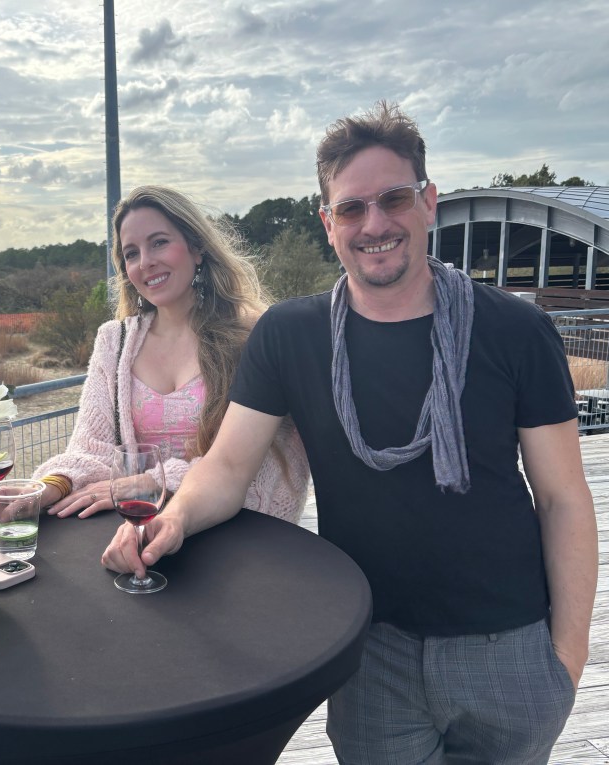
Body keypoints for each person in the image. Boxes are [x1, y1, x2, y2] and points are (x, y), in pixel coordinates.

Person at [101, 104, 597, 764]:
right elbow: (226, 468)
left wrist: (566, 658)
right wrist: (174, 519)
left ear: (428, 202)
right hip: (371, 653)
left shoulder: (515, 331)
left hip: (507, 651)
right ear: (328, 223)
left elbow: (563, 498)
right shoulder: (289, 337)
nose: (375, 224)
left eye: (394, 199)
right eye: (351, 208)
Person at [0, 185, 309, 525]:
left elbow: (251, 463)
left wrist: (150, 483)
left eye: (159, 242)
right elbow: (91, 448)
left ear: (197, 248)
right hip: (136, 527)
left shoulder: (254, 336)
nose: (146, 262)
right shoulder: (114, 342)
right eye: (131, 253)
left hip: (239, 531)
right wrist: (46, 488)